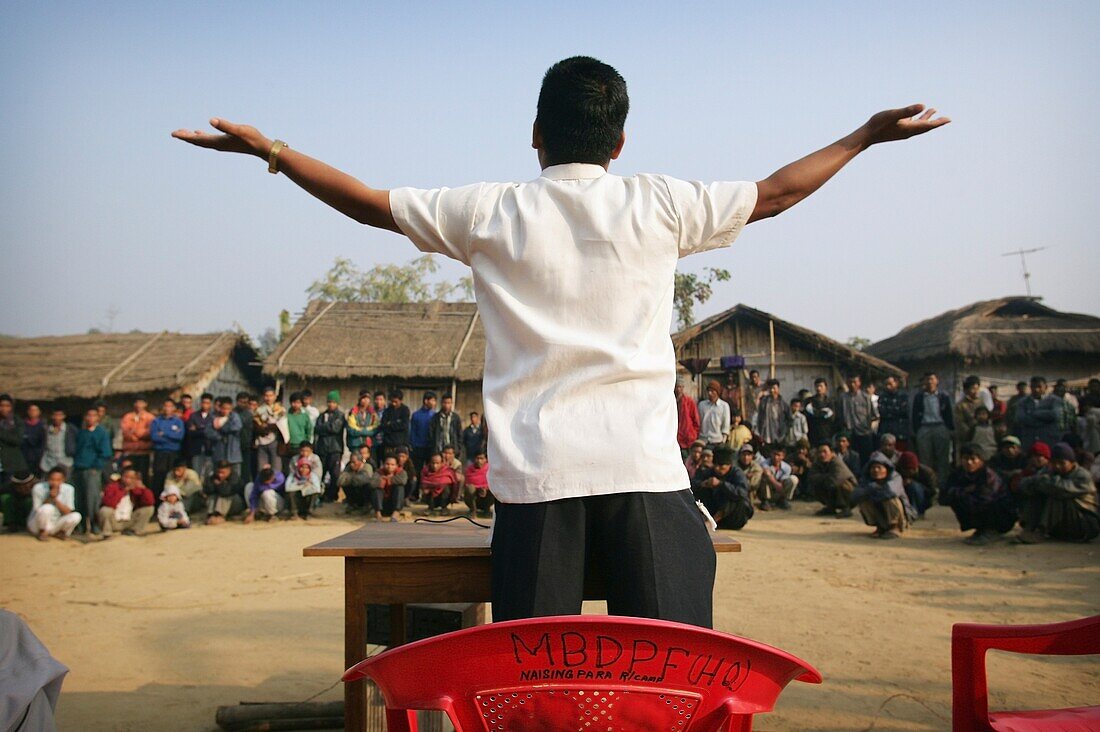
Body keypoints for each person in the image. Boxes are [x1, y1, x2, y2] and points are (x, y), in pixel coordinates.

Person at [175, 54, 948, 625]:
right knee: (672, 679)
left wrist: (271, 152)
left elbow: (370, 205)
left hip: (538, 487)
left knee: (535, 685)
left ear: (536, 135)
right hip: (646, 477)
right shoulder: (661, 204)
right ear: (619, 142)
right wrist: (864, 136)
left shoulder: (489, 211)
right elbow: (777, 193)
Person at [1015, 442, 1099, 543]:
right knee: (1039, 490)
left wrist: (1043, 481)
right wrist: (1037, 482)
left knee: (1056, 494)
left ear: (1071, 462)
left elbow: (1063, 488)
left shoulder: (1083, 475)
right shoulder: (1050, 471)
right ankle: (1030, 527)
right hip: (1064, 524)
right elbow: (1025, 484)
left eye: (1062, 463)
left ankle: (1041, 531)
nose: (1058, 466)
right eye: (1054, 463)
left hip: (1084, 523)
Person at [940, 443, 1017, 546]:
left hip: (1002, 515)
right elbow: (943, 497)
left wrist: (961, 493)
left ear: (981, 460)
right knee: (959, 500)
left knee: (985, 504)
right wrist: (964, 492)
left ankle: (991, 530)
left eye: (973, 459)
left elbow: (984, 501)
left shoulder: (988, 475)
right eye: (965, 458)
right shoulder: (958, 474)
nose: (969, 462)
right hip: (974, 504)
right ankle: (981, 529)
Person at [689, 446, 754, 530]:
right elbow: (692, 484)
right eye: (715, 465)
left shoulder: (737, 473)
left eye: (721, 466)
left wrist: (721, 484)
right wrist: (703, 484)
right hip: (712, 510)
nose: (717, 469)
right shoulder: (709, 472)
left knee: (736, 498)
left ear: (729, 465)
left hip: (733, 517)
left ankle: (712, 522)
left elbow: (742, 492)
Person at [72, 407, 113, 532]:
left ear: (98, 418)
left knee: (92, 499)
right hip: (79, 469)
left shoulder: (101, 432)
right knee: (80, 499)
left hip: (92, 470)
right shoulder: (82, 432)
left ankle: (95, 526)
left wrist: (96, 467)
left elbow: (105, 453)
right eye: (88, 415)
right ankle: (82, 526)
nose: (90, 418)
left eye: (93, 415)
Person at [850, 452, 908, 539]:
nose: (876, 470)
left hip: (902, 515)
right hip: (880, 509)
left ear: (886, 469)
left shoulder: (895, 477)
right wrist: (871, 488)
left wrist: (875, 491)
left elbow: (891, 492)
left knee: (890, 498)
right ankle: (880, 527)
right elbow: (854, 495)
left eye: (879, 467)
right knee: (863, 500)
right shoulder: (867, 479)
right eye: (873, 467)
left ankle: (895, 527)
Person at [911, 372, 955, 483]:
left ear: (937, 381)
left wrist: (949, 429)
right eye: (927, 379)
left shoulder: (943, 396)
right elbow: (915, 414)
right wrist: (917, 430)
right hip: (925, 428)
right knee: (925, 459)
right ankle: (928, 484)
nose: (929, 382)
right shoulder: (919, 397)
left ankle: (943, 484)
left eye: (931, 379)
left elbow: (949, 414)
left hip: (940, 426)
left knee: (943, 459)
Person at [97, 467, 155, 538]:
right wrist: (123, 491)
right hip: (114, 520)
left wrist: (142, 489)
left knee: (149, 509)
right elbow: (108, 503)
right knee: (105, 510)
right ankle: (107, 533)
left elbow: (150, 502)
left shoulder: (136, 489)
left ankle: (134, 530)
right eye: (126, 477)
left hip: (129, 520)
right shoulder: (113, 486)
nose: (128, 480)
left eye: (131, 478)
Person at [807, 442, 857, 518]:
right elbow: (811, 478)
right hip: (829, 484)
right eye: (820, 452)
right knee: (816, 486)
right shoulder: (817, 463)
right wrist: (826, 476)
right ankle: (830, 507)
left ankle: (846, 508)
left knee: (842, 485)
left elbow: (835, 480)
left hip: (851, 493)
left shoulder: (837, 462)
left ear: (832, 453)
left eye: (825, 452)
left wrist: (822, 477)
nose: (822, 454)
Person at [313, 390, 347, 502]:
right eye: (329, 402)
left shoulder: (340, 415)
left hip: (335, 449)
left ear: (337, 403)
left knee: (335, 474)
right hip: (322, 449)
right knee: (320, 472)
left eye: (333, 402)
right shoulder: (322, 415)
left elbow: (335, 428)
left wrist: (325, 427)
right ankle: (319, 495)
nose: (330, 404)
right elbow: (316, 429)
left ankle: (333, 495)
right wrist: (327, 427)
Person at [838, 374, 877, 469]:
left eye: (855, 382)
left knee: (866, 459)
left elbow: (874, 416)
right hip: (849, 434)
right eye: (850, 382)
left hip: (864, 433)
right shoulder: (842, 398)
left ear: (859, 383)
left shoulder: (866, 397)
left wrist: (869, 428)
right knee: (851, 460)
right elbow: (839, 415)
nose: (852, 384)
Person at [150, 398, 185, 498]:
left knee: (173, 477)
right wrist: (171, 435)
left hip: (174, 453)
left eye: (170, 406)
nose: (167, 408)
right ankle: (157, 502)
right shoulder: (156, 421)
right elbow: (154, 437)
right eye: (165, 406)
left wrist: (164, 434)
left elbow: (179, 437)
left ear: (174, 408)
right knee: (159, 477)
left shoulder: (178, 422)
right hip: (160, 453)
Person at [1015, 376, 1062, 449]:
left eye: (1039, 387)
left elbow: (1055, 415)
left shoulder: (1055, 401)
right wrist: (1044, 419)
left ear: (1046, 387)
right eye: (1033, 387)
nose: (1036, 389)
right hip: (1029, 440)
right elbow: (1021, 418)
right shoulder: (1023, 402)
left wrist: (1034, 413)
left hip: (1048, 439)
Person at [205, 396, 243, 480]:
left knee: (235, 477)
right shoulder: (213, 417)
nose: (226, 411)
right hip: (218, 452)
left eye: (228, 408)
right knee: (218, 476)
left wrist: (222, 426)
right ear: (220, 407)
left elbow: (237, 427)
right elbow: (208, 432)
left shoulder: (234, 416)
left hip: (233, 453)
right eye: (224, 408)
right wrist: (219, 437)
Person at [253, 386, 286, 474]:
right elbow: (256, 423)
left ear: (275, 396)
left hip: (275, 441)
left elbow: (282, 424)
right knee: (261, 469)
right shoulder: (259, 410)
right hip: (262, 441)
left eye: (271, 395)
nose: (268, 398)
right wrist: (261, 428)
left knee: (276, 469)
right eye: (266, 396)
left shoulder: (280, 409)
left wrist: (268, 427)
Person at [896, 451, 937, 518]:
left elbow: (932, 492)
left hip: (923, 499)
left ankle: (916, 512)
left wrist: (914, 484)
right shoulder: (898, 470)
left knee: (914, 486)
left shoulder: (927, 473)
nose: (906, 473)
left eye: (908, 471)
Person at [184, 393, 215, 478]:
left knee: (209, 473)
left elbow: (214, 433)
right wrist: (205, 430)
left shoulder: (213, 417)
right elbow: (190, 432)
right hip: (196, 448)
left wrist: (198, 428)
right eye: (204, 402)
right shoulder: (193, 416)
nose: (205, 405)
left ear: (211, 404)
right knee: (196, 473)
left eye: (208, 403)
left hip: (209, 449)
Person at [953, 376, 984, 462]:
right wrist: (972, 433)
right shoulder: (960, 405)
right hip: (966, 439)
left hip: (981, 439)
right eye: (973, 389)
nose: (976, 391)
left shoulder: (981, 403)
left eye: (977, 388)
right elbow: (959, 423)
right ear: (966, 390)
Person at [0, 395, 29, 484]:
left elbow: (18, 440)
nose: (4, 408)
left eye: (7, 406)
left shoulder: (16, 421)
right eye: (1, 405)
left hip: (11, 463)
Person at [877, 375, 910, 450]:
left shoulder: (903, 396)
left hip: (900, 432)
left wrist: (890, 412)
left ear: (896, 383)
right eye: (886, 384)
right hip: (886, 431)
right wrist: (894, 410)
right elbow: (882, 412)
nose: (888, 387)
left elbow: (903, 411)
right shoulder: (882, 397)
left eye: (890, 384)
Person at [369, 455, 407, 521]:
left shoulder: (401, 472)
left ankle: (395, 514)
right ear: (383, 464)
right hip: (382, 503)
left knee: (399, 487)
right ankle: (378, 514)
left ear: (396, 465)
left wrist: (388, 479)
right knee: (377, 489)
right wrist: (381, 481)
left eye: (392, 465)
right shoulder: (378, 472)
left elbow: (403, 481)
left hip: (394, 502)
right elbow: (372, 483)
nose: (389, 466)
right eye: (387, 464)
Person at [754, 379, 788, 450]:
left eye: (774, 388)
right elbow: (759, 417)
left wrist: (784, 432)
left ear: (778, 389)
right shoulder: (764, 402)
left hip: (779, 435)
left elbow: (789, 419)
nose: (772, 390)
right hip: (766, 435)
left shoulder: (783, 403)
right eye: (770, 388)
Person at [759, 446, 797, 510]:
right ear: (771, 454)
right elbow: (767, 473)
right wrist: (776, 483)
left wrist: (780, 486)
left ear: (783, 456)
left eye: (778, 455)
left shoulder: (787, 467)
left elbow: (784, 480)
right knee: (765, 476)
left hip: (780, 489)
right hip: (768, 488)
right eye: (774, 454)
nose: (776, 457)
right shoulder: (765, 463)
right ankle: (765, 500)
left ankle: (783, 499)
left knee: (793, 479)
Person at [410, 391, 437, 476]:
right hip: (418, 448)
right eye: (432, 400)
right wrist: (413, 445)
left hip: (431, 447)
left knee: (431, 470)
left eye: (435, 401)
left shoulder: (435, 415)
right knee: (418, 470)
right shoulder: (416, 415)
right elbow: (412, 432)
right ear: (426, 401)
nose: (434, 403)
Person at [804, 378, 837, 447]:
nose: (819, 388)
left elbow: (831, 418)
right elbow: (808, 416)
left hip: (827, 434)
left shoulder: (831, 402)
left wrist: (815, 413)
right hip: (813, 434)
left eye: (821, 386)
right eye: (817, 386)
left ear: (826, 387)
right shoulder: (809, 401)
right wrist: (822, 414)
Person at [699, 380, 731, 449]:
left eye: (712, 391)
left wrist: (723, 440)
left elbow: (726, 424)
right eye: (708, 391)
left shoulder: (724, 406)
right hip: (703, 440)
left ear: (717, 392)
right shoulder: (702, 405)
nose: (710, 393)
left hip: (717, 441)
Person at [430, 393, 462, 459]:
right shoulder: (435, 417)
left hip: (452, 450)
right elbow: (431, 433)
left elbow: (460, 434)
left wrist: (458, 448)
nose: (447, 405)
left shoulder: (455, 418)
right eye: (445, 403)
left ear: (451, 404)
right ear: (441, 403)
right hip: (439, 450)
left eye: (449, 403)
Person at [380, 390, 411, 456]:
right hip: (388, 444)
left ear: (401, 400)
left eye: (396, 402)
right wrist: (396, 423)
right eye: (392, 401)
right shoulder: (387, 411)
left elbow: (404, 425)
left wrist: (390, 424)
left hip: (400, 444)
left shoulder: (405, 410)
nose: (394, 404)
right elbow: (383, 426)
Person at [675, 380, 700, 458]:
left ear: (683, 388)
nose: (678, 389)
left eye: (680, 387)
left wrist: (693, 434)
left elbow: (696, 420)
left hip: (688, 438)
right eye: (677, 387)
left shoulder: (689, 401)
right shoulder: (670, 401)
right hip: (675, 437)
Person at [234, 392, 255, 485]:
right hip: (234, 446)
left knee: (245, 471)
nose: (243, 404)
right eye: (241, 402)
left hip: (246, 445)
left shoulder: (249, 414)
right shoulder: (232, 413)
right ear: (237, 402)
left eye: (245, 402)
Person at [464, 451, 493, 518]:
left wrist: (485, 488)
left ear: (486, 459)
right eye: (477, 458)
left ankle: (487, 510)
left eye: (481, 458)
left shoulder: (490, 469)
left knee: (493, 488)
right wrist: (478, 488)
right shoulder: (469, 469)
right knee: (470, 488)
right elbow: (467, 484)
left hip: (487, 497)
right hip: (473, 498)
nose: (479, 461)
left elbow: (493, 483)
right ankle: (473, 510)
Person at [20, 404, 45, 474]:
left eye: (35, 410)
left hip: (38, 457)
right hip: (24, 456)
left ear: (39, 412)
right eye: (31, 410)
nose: (33, 412)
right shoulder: (22, 424)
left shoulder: (43, 426)